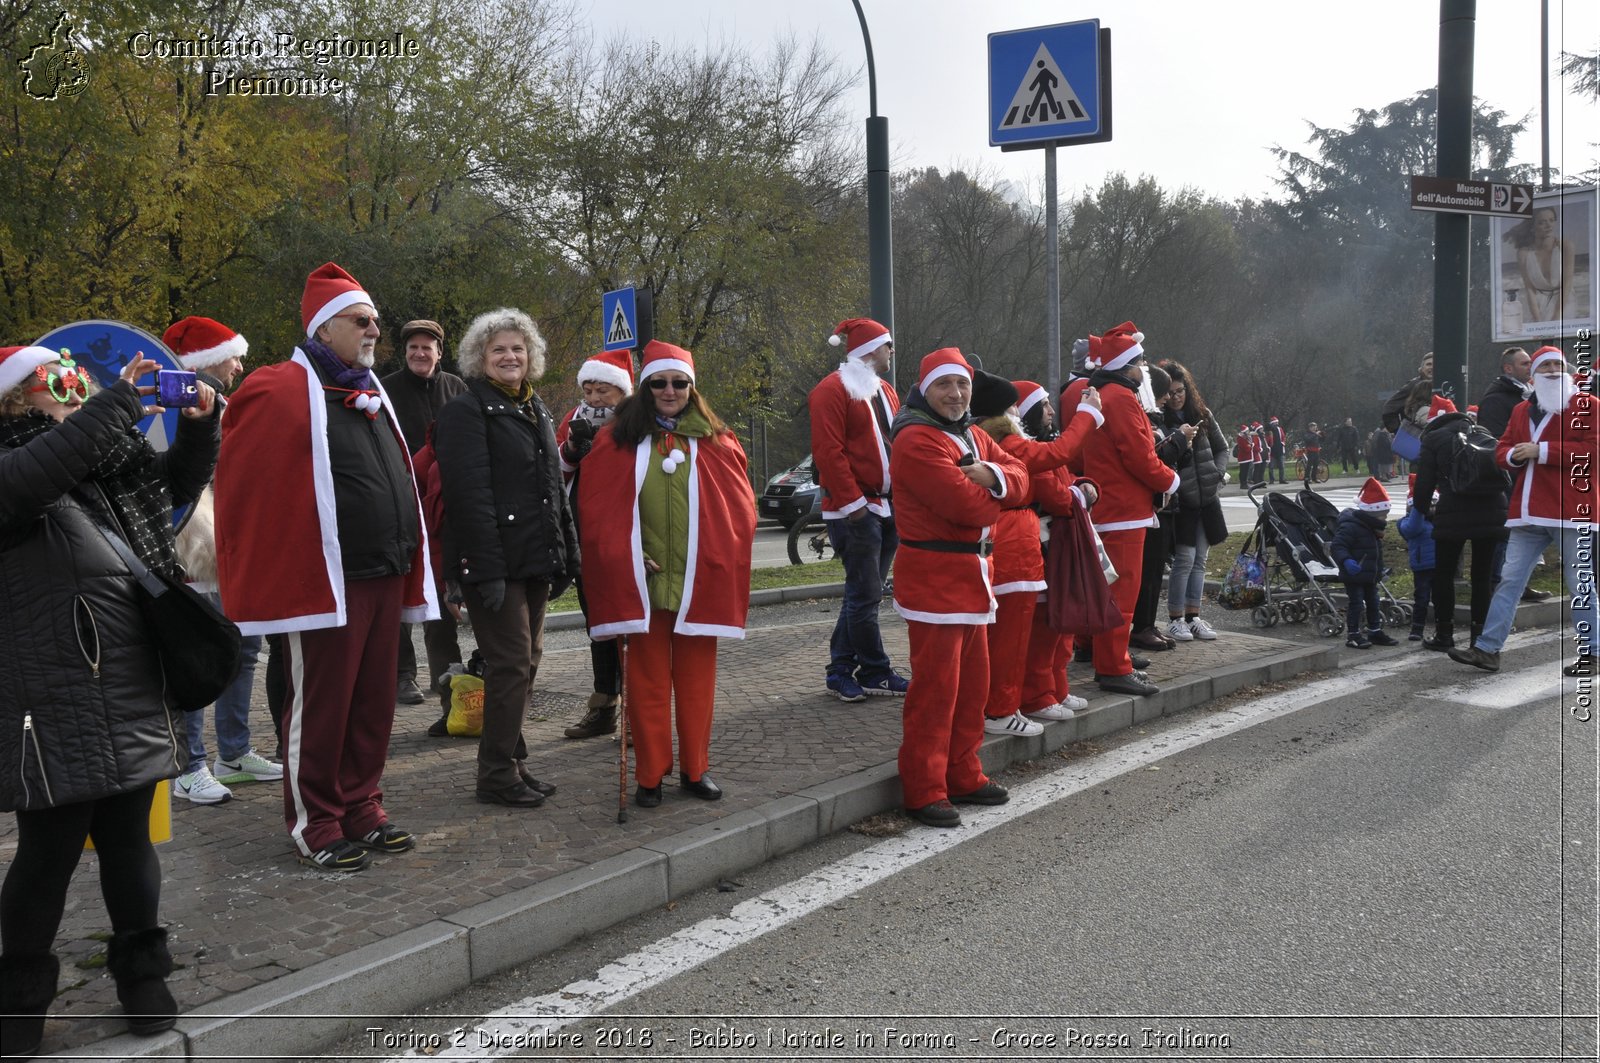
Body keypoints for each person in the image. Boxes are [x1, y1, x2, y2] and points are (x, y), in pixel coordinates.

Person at [0, 345, 219, 1054]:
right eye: (56, 380)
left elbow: (172, 490)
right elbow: (39, 472)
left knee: (129, 840)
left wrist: (198, 426)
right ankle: (18, 1007)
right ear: (11, 399)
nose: (73, 388)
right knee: (49, 852)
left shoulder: (98, 465)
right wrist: (118, 401)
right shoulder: (16, 467)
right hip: (48, 693)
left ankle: (143, 976)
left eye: (77, 380)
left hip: (125, 677)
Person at [214, 262, 437, 873]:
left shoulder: (369, 392)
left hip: (384, 572)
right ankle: (316, 820)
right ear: (324, 328)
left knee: (373, 703)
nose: (373, 331)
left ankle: (363, 805)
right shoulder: (278, 387)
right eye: (360, 320)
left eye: (375, 321)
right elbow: (251, 487)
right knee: (321, 707)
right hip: (329, 582)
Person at [578, 340, 756, 807]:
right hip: (644, 581)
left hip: (698, 581)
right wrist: (627, 555)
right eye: (660, 382)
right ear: (645, 387)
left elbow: (740, 512)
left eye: (679, 382)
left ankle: (696, 769)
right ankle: (650, 774)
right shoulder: (615, 439)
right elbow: (597, 512)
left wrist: (715, 554)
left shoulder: (719, 440)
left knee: (697, 684)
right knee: (647, 683)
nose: (670, 390)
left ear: (692, 388)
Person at [434, 309, 575, 808]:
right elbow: (469, 499)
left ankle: (513, 761)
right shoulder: (466, 410)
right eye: (499, 350)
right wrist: (483, 570)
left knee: (528, 662)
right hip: (491, 563)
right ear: (480, 358)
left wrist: (567, 553)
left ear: (531, 356)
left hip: (534, 560)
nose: (510, 357)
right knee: (510, 664)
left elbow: (553, 490)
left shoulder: (534, 408)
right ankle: (494, 773)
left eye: (518, 348)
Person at [888, 348, 1028, 827]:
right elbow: (964, 508)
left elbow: (1022, 477)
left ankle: (963, 772)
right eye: (945, 385)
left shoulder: (968, 432)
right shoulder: (915, 439)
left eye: (963, 385)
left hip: (972, 578)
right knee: (936, 691)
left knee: (972, 688)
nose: (956, 394)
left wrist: (991, 477)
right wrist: (999, 496)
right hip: (934, 580)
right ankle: (924, 786)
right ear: (925, 389)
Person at [165, 316, 281, 805]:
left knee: (244, 647)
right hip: (192, 549)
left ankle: (232, 752)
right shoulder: (173, 406)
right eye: (233, 355)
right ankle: (187, 765)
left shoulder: (228, 406)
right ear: (205, 360)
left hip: (236, 546)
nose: (240, 364)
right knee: (194, 656)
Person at [1451, 347, 1598, 674]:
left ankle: (1594, 653)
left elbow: (1593, 451)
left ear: (1568, 370)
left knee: (1580, 583)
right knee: (1509, 581)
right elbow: (1502, 448)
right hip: (1528, 510)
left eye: (1556, 365)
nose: (1550, 370)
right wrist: (1512, 456)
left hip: (1571, 509)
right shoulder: (1520, 410)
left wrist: (1540, 450)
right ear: (1532, 374)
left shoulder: (1586, 405)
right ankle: (1488, 650)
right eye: (1543, 365)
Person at [971, 374, 1101, 735]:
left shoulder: (1000, 439)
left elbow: (1056, 471)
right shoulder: (1007, 440)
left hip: (1020, 541)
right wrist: (1088, 414)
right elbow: (1055, 466)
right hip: (1017, 544)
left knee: (1024, 632)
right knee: (1015, 635)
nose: (1046, 411)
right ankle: (1003, 706)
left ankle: (1015, 700)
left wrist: (1080, 488)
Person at [1062, 322, 1181, 696]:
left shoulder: (1102, 393)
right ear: (1131, 364)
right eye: (1141, 361)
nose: (1144, 368)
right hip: (1124, 506)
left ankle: (1101, 653)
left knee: (1103, 585)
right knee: (1122, 592)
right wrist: (1170, 481)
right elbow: (1139, 456)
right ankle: (1114, 665)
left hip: (1108, 503)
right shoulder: (1122, 397)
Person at [809, 317, 906, 701]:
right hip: (857, 510)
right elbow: (829, 452)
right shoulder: (831, 390)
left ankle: (842, 669)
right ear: (870, 349)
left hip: (885, 507)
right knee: (865, 595)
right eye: (888, 344)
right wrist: (855, 508)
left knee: (862, 595)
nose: (892, 351)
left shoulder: (885, 390)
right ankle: (874, 669)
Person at [381, 319, 466, 707]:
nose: (419, 353)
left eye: (426, 347)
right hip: (401, 500)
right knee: (402, 587)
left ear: (439, 352)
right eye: (413, 347)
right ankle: (401, 675)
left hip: (445, 506)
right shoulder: (387, 389)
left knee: (442, 588)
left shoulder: (456, 388)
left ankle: (445, 675)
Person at [553, 348, 633, 739]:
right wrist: (571, 449)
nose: (595, 399)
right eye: (589, 390)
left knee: (633, 627)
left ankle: (641, 712)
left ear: (621, 392)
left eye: (603, 390)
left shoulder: (638, 423)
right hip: (585, 536)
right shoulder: (574, 418)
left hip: (628, 537)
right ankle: (604, 706)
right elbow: (556, 470)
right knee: (597, 623)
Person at [1411, 395, 1509, 653]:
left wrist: (1424, 511)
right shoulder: (1483, 432)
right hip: (1492, 510)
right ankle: (1479, 636)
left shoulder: (1433, 439)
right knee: (1482, 576)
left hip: (1453, 511)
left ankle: (1445, 633)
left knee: (1443, 575)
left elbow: (1423, 484)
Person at [1159, 360, 1229, 644]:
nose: (1176, 397)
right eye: (1171, 392)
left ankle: (1193, 616)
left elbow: (1222, 447)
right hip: (1182, 500)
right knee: (1184, 560)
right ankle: (1175, 619)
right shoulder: (1161, 420)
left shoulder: (1203, 414)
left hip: (1207, 498)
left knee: (1200, 560)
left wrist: (1219, 474)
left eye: (1181, 390)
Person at [1475, 345, 1549, 604]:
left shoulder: (1524, 394)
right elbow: (1492, 440)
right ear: (1508, 368)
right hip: (1509, 478)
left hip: (1527, 475)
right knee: (1507, 535)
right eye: (1525, 363)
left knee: (1522, 534)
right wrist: (1517, 456)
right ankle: (1499, 584)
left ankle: (1519, 584)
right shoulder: (1498, 398)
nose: (1531, 367)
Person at [1130, 365, 1190, 652]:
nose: (1168, 398)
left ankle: (1147, 623)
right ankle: (1141, 627)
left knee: (1154, 571)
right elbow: (1153, 458)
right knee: (1145, 571)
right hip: (1150, 505)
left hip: (1162, 504)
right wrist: (1179, 439)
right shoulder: (1143, 417)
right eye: (1164, 392)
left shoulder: (1153, 417)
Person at [1330, 478, 1398, 649]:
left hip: (1369, 574)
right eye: (1383, 515)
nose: (1385, 518)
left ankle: (1374, 630)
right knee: (1357, 604)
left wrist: (1379, 569)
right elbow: (1338, 546)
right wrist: (1346, 560)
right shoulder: (1351, 527)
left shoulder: (1372, 529)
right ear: (1371, 513)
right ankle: (1353, 634)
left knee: (1374, 602)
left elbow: (1376, 552)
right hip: (1354, 574)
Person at [1511, 207, 1575, 323]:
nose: (1548, 225)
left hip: (1563, 302)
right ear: (1532, 227)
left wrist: (1556, 315)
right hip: (1536, 304)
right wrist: (1537, 319)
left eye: (1551, 220)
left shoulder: (1565, 246)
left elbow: (1567, 284)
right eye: (1542, 222)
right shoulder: (1524, 254)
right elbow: (1529, 289)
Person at [1395, 475, 1436, 642]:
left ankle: (1443, 626)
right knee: (1422, 598)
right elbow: (1412, 529)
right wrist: (1419, 509)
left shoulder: (1436, 521)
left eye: (1434, 504)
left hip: (1440, 564)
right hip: (1422, 566)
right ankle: (1417, 628)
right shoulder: (1408, 522)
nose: (1431, 508)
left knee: (1441, 598)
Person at [1382, 352, 1434, 434]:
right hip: (1416, 437)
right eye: (1428, 364)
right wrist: (1398, 431)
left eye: (1435, 364)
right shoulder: (1413, 386)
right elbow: (1389, 408)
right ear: (1422, 368)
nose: (1432, 367)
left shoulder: (1443, 386)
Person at [1265, 415, 1287, 484]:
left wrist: (1282, 443)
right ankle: (1272, 480)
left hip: (1279, 449)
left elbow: (1283, 437)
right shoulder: (1270, 430)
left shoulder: (1280, 429)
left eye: (1277, 422)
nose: (1277, 424)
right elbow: (1268, 427)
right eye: (1275, 422)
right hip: (1272, 450)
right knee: (1271, 466)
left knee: (1281, 466)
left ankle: (1282, 479)